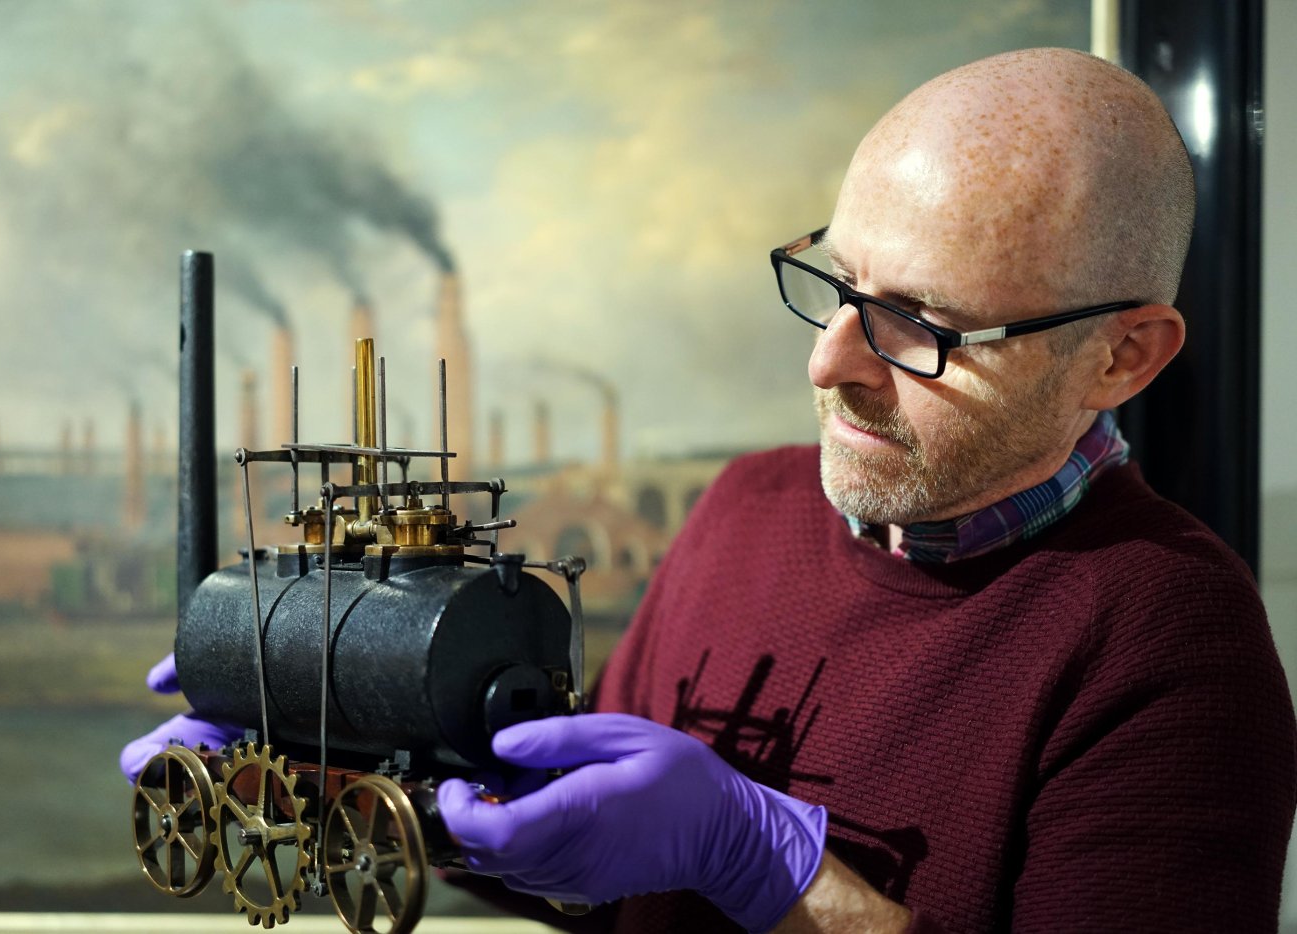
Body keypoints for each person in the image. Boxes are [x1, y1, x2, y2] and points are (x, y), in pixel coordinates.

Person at [125, 48, 1296, 932]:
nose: (826, 361)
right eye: (837, 285)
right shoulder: (744, 508)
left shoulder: (1170, 640)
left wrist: (765, 861)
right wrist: (386, 764)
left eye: (920, 329)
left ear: (1122, 355)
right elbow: (595, 884)